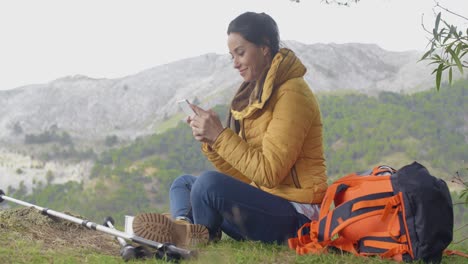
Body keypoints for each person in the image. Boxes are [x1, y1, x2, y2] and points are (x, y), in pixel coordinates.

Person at [132, 11, 327, 247]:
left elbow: (269, 173)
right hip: (267, 200)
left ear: (264, 47)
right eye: (232, 56)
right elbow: (247, 176)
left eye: (241, 53)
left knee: (207, 185)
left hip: (298, 215)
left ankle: (191, 238)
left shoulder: (292, 94)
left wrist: (220, 136)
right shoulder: (257, 94)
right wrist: (212, 141)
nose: (235, 63)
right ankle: (184, 227)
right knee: (184, 183)